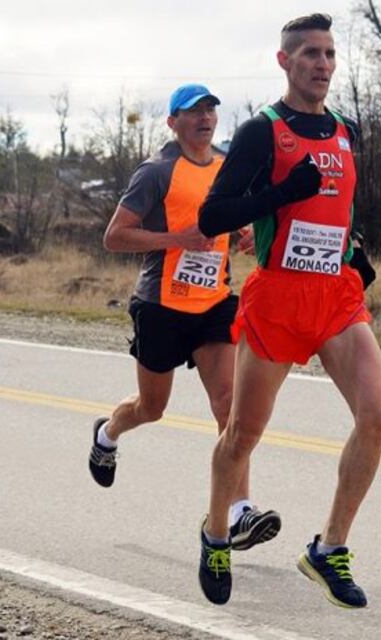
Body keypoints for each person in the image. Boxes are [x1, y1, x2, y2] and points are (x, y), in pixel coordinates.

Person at [195, 14, 381, 609]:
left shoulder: (347, 130)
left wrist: (354, 251)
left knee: (378, 413)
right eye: (310, 53)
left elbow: (341, 205)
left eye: (330, 54)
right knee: (243, 435)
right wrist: (283, 193)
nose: (323, 64)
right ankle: (215, 534)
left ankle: (328, 549)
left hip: (336, 296)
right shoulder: (263, 131)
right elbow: (212, 217)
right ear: (285, 62)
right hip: (278, 297)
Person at [88, 83, 281, 552]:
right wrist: (178, 240)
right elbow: (115, 237)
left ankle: (238, 511)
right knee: (151, 408)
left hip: (214, 304)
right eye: (194, 112)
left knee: (229, 406)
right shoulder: (156, 172)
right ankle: (108, 433)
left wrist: (244, 235)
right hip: (160, 307)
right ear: (173, 122)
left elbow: (229, 219)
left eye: (211, 110)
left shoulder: (225, 165)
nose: (205, 118)